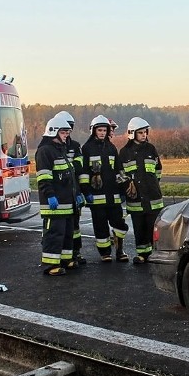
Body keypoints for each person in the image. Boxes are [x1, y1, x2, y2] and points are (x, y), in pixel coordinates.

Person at [36, 113, 81, 275]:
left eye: (67, 133)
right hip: (54, 203)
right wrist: (50, 195)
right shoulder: (45, 151)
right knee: (54, 234)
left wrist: (77, 193)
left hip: (67, 203)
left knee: (67, 233)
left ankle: (66, 260)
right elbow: (43, 177)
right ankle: (51, 265)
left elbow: (70, 175)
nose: (66, 136)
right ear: (53, 132)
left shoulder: (59, 150)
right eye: (63, 133)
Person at [79, 115, 128, 263]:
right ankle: (105, 253)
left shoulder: (112, 148)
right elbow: (84, 173)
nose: (102, 133)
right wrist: (86, 192)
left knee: (119, 223)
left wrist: (123, 188)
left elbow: (119, 170)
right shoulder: (87, 148)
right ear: (93, 131)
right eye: (99, 130)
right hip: (96, 197)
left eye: (104, 130)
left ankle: (120, 251)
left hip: (113, 195)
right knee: (100, 227)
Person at [119, 117, 163, 264]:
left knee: (153, 227)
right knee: (139, 227)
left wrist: (153, 184)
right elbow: (120, 175)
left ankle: (155, 253)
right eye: (141, 132)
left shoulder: (151, 149)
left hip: (153, 197)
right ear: (132, 134)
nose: (144, 135)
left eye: (145, 132)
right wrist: (127, 186)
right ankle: (142, 254)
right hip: (136, 199)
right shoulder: (124, 153)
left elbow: (158, 170)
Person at [57, 111, 87, 265]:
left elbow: (79, 166)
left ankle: (76, 252)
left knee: (75, 225)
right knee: (62, 226)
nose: (67, 131)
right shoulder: (55, 147)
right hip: (61, 191)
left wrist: (81, 192)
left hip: (74, 190)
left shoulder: (75, 146)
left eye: (69, 128)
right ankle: (62, 254)